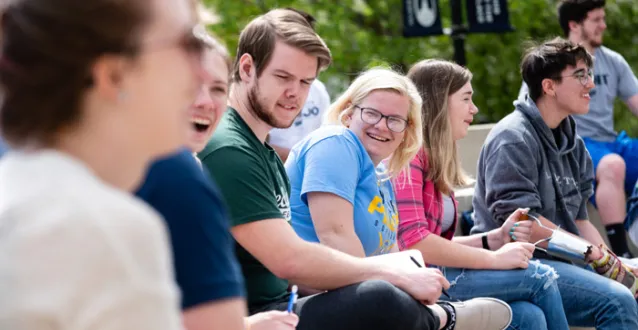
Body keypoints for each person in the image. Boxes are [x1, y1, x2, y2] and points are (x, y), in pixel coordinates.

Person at [199, 8, 479, 330]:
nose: (296, 93)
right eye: (283, 77)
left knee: (382, 293)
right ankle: (445, 318)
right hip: (253, 317)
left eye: (306, 82)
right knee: (380, 295)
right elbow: (289, 259)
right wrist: (392, 275)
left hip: (284, 302)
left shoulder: (262, 150)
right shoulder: (230, 149)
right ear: (247, 68)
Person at [0, 0, 208, 328]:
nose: (203, 71)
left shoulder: (18, 195)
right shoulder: (107, 229)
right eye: (188, 44)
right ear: (114, 75)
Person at [286, 66, 514, 330]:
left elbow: (391, 253)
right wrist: (406, 284)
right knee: (380, 294)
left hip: (359, 299)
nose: (382, 125)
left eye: (395, 120)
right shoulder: (335, 142)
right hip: (307, 298)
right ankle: (444, 317)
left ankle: (439, 314)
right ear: (348, 115)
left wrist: (414, 282)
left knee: (525, 314)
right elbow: (335, 239)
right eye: (371, 113)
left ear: (407, 131)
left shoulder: (382, 173)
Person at [387, 59, 569, 330]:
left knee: (529, 317)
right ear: (439, 101)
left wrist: (491, 239)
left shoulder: (435, 157)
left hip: (437, 272)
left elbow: (436, 243)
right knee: (540, 277)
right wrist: (494, 259)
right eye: (466, 98)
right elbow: (415, 243)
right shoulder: (408, 156)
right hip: (417, 281)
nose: (474, 108)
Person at [136, 28, 298, 330]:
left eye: (218, 89)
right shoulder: (151, 171)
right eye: (189, 85)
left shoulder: (189, 168)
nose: (205, 102)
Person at [474, 38, 638, 329]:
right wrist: (597, 258)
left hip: (561, 265)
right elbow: (523, 226)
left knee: (631, 284)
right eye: (580, 76)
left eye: (588, 74)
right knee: (618, 299)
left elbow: (581, 220)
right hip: (516, 266)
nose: (591, 85)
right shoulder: (513, 138)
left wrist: (618, 265)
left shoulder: (572, 141)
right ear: (549, 86)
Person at [519, 0, 638, 257]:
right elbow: (528, 107)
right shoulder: (550, 65)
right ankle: (624, 252)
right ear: (574, 24)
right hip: (581, 145)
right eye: (596, 20)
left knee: (616, 159)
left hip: (612, 141)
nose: (603, 25)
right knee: (613, 164)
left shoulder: (613, 60)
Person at [269, 78, 331, 162]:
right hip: (271, 164)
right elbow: (258, 143)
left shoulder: (318, 89)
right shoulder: (270, 85)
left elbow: (325, 133)